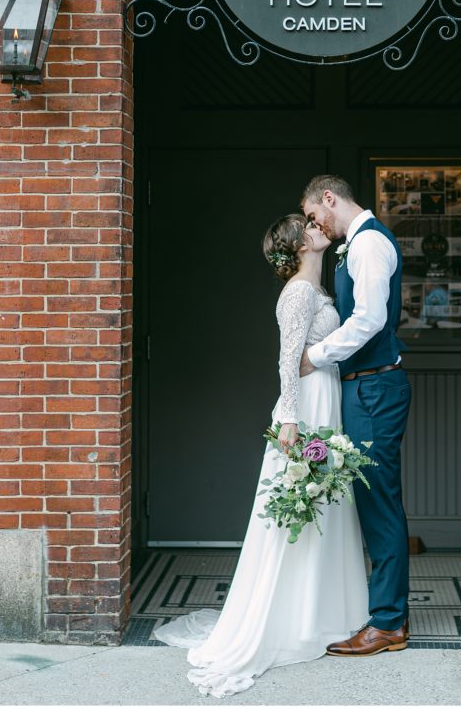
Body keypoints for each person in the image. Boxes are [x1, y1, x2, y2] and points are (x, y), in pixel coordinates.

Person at [153, 214, 368, 697]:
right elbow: (286, 356)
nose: (316, 225)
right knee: (301, 504)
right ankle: (290, 619)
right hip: (306, 404)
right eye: (307, 225)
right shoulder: (297, 293)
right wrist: (289, 418)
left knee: (326, 505)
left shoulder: (317, 288)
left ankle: (322, 611)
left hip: (324, 397)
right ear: (298, 245)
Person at [301, 174, 412, 657]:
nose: (314, 223)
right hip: (365, 388)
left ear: (329, 199)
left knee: (378, 501)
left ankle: (388, 622)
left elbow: (369, 320)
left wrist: (316, 355)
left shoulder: (367, 245)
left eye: (312, 214)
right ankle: (384, 613)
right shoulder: (359, 243)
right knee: (372, 499)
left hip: (373, 389)